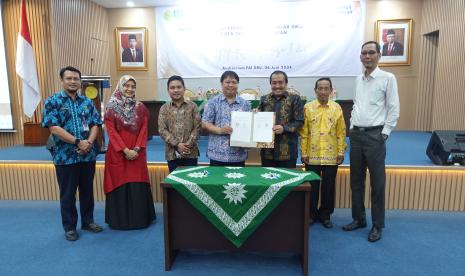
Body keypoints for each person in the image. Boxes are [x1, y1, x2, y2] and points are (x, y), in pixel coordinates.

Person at [342, 41, 400, 242]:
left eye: (371, 53)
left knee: (377, 184)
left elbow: (393, 107)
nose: (367, 56)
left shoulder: (387, 78)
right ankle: (359, 219)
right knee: (356, 182)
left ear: (379, 55)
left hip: (375, 137)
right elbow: (357, 105)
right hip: (356, 136)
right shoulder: (358, 79)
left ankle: (377, 225)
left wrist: (385, 133)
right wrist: (351, 127)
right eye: (364, 53)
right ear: (360, 57)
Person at [42, 66, 103, 241]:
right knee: (67, 193)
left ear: (80, 81)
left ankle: (88, 221)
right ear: (62, 80)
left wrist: (89, 143)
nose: (73, 81)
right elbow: (53, 128)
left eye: (76, 78)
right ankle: (69, 227)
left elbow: (95, 124)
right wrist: (77, 142)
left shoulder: (87, 102)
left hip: (87, 155)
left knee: (87, 191)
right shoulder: (52, 101)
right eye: (69, 78)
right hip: (64, 156)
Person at [103, 75, 155, 230]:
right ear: (120, 86)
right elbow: (111, 132)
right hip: (118, 152)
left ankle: (140, 220)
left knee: (137, 182)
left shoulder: (141, 108)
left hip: (137, 153)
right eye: (126, 85)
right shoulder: (111, 107)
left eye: (133, 86)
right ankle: (120, 221)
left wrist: (137, 148)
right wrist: (125, 150)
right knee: (119, 182)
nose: (130, 89)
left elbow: (144, 129)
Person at [300, 77, 346, 228]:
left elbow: (341, 131)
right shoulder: (308, 107)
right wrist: (304, 152)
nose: (323, 91)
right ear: (315, 90)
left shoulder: (336, 108)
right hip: (312, 154)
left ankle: (325, 215)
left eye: (327, 88)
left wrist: (340, 151)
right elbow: (304, 132)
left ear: (331, 91)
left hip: (331, 154)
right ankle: (311, 214)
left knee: (328, 186)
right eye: (320, 88)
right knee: (312, 185)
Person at [202, 71, 251, 166]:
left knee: (237, 180)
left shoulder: (245, 104)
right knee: (216, 181)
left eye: (234, 82)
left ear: (237, 84)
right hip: (216, 154)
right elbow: (205, 123)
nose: (231, 85)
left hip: (238, 155)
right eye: (227, 82)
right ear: (221, 84)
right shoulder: (213, 102)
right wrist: (220, 130)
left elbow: (249, 126)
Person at [258, 70, 304, 168]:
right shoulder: (264, 99)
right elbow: (258, 120)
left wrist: (284, 128)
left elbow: (299, 121)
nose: (277, 86)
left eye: (280, 82)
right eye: (274, 83)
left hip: (288, 152)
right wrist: (254, 114)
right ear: (270, 84)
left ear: (286, 83)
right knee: (267, 181)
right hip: (267, 152)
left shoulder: (295, 99)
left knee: (287, 182)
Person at [159, 75, 201, 172]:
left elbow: (198, 128)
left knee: (191, 183)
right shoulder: (164, 108)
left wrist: (186, 147)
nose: (176, 90)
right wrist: (177, 145)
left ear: (184, 88)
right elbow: (162, 130)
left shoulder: (193, 106)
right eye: (172, 88)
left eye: (179, 87)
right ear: (168, 90)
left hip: (191, 153)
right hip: (172, 154)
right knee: (174, 184)